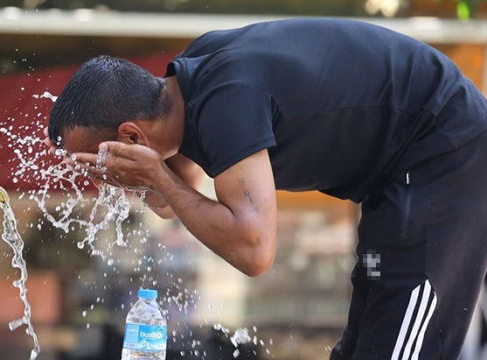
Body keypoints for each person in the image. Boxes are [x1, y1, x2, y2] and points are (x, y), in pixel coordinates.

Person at [44, 18, 487, 360]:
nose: (101, 177)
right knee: (365, 341)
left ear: (131, 136)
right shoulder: (189, 85)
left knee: (399, 344)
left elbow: (255, 250)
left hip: (442, 148)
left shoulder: (226, 101)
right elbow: (176, 197)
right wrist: (155, 179)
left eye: (100, 162)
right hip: (394, 174)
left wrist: (155, 176)